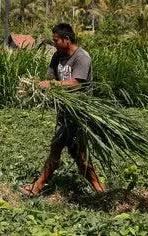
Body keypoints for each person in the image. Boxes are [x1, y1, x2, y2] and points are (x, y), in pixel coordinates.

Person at [21, 22, 105, 196]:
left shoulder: (82, 57)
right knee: (77, 155)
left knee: (62, 150)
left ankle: (37, 187)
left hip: (79, 114)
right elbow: (50, 78)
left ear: (67, 39)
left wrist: (51, 85)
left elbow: (76, 83)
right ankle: (100, 192)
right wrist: (37, 87)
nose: (54, 43)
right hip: (64, 113)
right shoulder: (57, 56)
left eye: (56, 40)